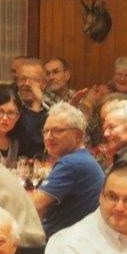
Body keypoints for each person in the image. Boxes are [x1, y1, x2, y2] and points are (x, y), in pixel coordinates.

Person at [32, 102, 103, 238]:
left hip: (62, 243)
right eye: (45, 131)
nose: (48, 137)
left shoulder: (71, 164)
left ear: (78, 136)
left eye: (57, 131)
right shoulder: (81, 158)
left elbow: (34, 206)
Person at [15, 58, 49, 157]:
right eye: (23, 79)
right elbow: (30, 144)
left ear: (44, 84)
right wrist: (36, 104)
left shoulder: (49, 110)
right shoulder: (10, 106)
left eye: (34, 79)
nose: (27, 84)